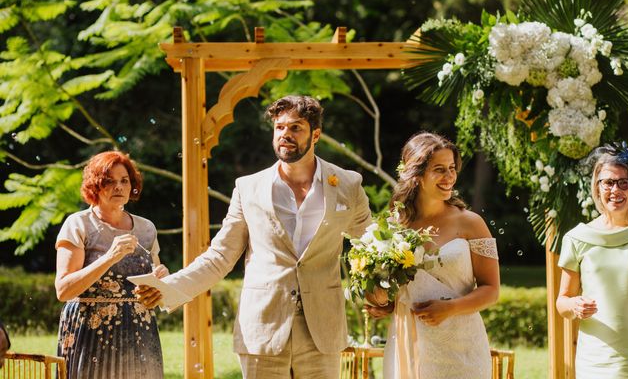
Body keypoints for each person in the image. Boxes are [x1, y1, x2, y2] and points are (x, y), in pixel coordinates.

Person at [136, 95, 371, 379]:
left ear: (316, 134)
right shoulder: (248, 188)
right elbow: (220, 257)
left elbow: (370, 247)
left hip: (323, 330)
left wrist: (382, 293)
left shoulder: (348, 184)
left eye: (295, 127)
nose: (285, 134)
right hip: (262, 329)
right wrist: (168, 287)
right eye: (279, 127)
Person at [367, 131, 500, 379]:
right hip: (409, 339)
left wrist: (450, 308)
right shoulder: (393, 227)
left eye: (452, 168)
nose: (449, 176)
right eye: (439, 169)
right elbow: (381, 291)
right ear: (416, 176)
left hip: (462, 346)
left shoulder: (471, 223)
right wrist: (380, 300)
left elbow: (491, 290)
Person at [55, 151, 168, 379]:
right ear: (95, 186)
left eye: (124, 180)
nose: (118, 186)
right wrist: (110, 257)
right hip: (91, 333)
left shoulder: (147, 229)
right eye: (109, 181)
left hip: (140, 332)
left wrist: (162, 281)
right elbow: (63, 290)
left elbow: (155, 286)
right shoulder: (78, 224)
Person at [556, 145, 628, 378]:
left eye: (624, 182)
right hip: (595, 360)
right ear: (597, 187)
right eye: (608, 183)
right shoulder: (577, 238)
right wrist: (575, 305)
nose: (616, 190)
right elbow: (562, 302)